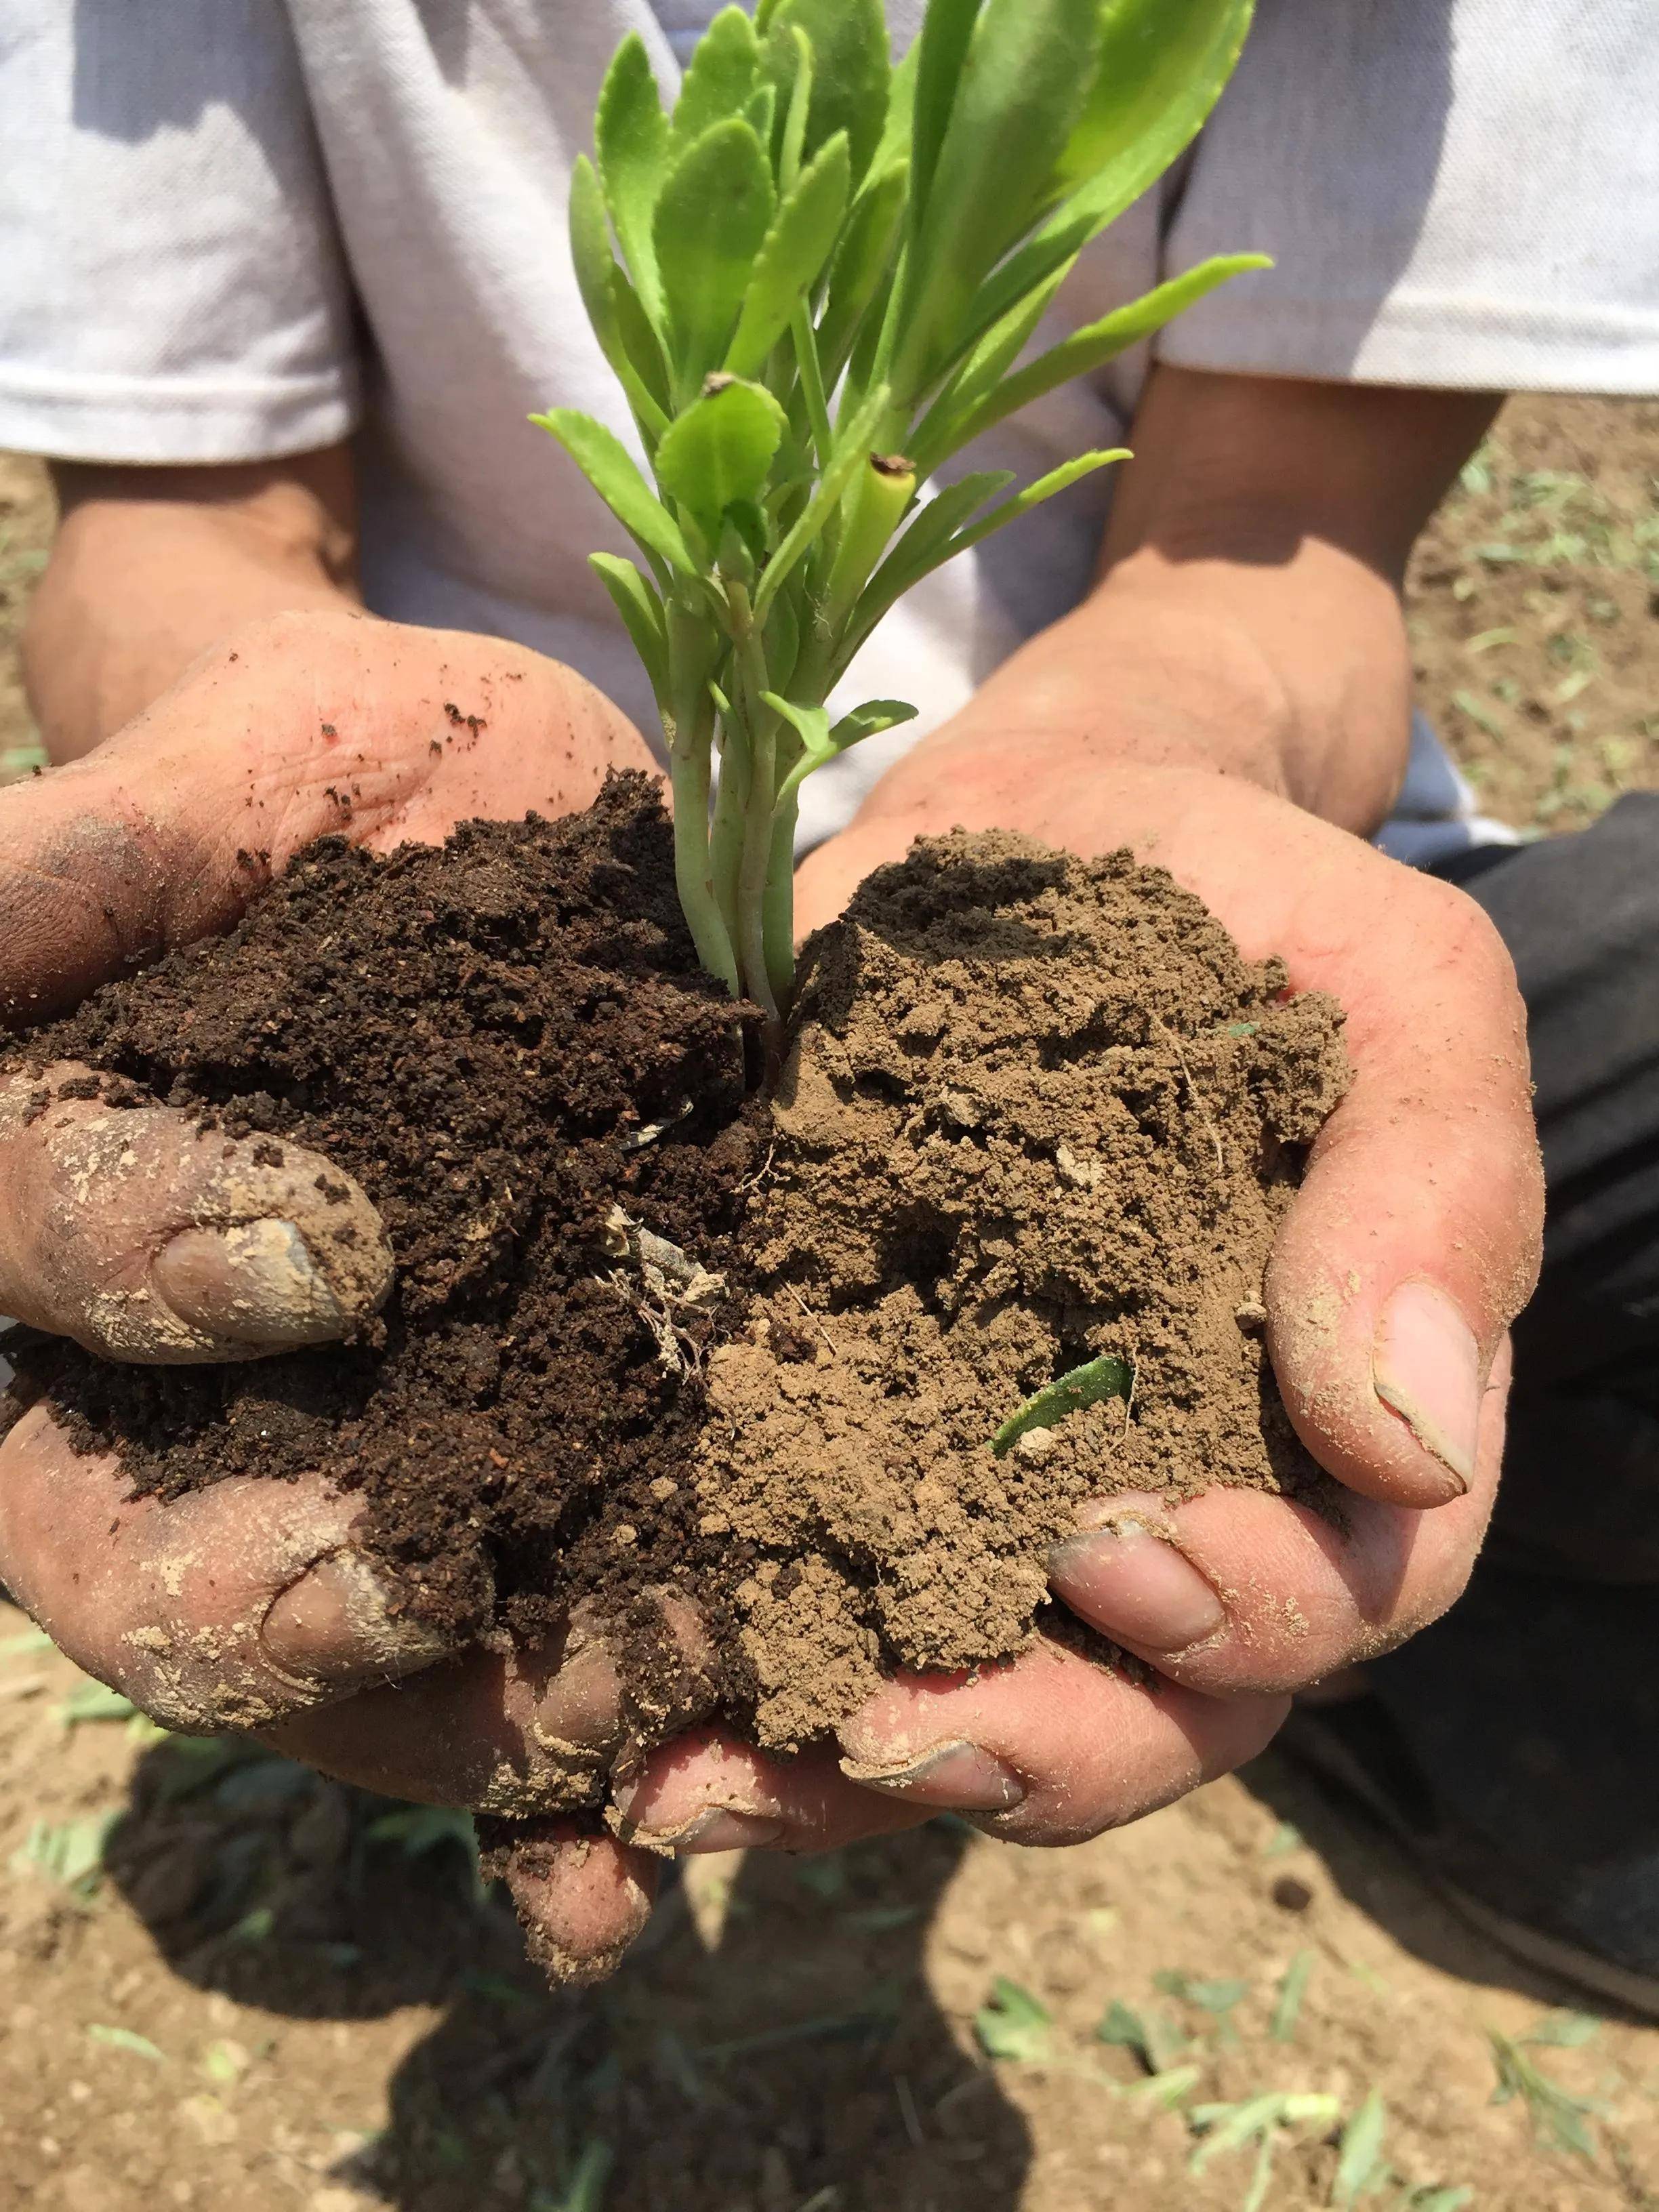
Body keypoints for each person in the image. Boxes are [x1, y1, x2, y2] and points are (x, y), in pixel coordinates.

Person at [0, 0, 1654, 1998]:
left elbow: (1266, 548)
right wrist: (257, 747)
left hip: (1077, 881)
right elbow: (175, 521)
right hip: (512, 834)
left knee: (1390, 1214)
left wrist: (1165, 746)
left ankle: (1477, 1648)